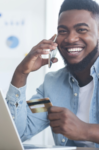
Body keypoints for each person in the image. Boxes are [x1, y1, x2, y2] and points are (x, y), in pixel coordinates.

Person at [6, 0, 99, 148]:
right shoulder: (52, 85)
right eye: (63, 31)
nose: (70, 38)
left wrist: (86, 131)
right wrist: (21, 73)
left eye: (81, 29)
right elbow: (18, 133)